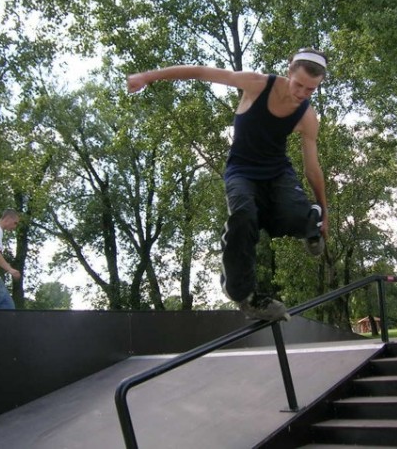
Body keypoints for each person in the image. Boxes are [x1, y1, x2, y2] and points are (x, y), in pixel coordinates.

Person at [127, 48, 329, 321]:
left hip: (278, 173)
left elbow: (311, 168)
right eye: (299, 85)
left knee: (297, 218)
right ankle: (246, 296)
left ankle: (311, 220)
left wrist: (325, 212)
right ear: (289, 70)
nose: (302, 93)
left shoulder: (307, 115)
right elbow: (200, 72)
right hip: (242, 172)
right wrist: (147, 77)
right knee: (244, 216)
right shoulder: (256, 84)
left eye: (311, 90)